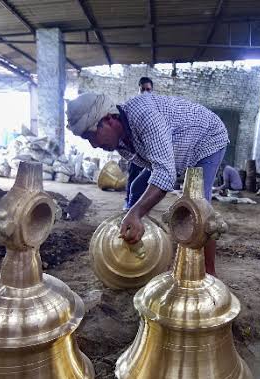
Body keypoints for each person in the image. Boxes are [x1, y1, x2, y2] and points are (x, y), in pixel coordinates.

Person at [67, 91, 229, 275]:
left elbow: (165, 174)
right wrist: (135, 213)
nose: (94, 145)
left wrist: (135, 212)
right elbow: (159, 167)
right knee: (137, 188)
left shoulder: (145, 116)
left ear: (110, 119)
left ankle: (209, 273)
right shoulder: (121, 141)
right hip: (176, 151)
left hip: (207, 137)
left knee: (199, 205)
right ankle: (146, 240)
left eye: (91, 136)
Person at [119, 77, 155, 209]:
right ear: (138, 90)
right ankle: (129, 202)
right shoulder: (132, 107)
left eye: (148, 90)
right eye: (143, 89)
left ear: (152, 91)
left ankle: (140, 206)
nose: (145, 92)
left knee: (146, 181)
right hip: (135, 151)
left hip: (150, 152)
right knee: (133, 177)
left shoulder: (154, 107)